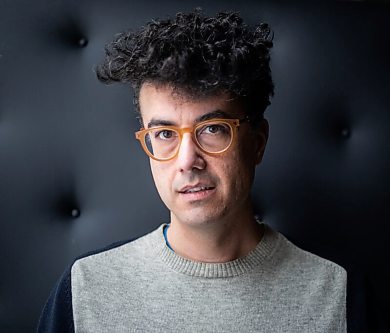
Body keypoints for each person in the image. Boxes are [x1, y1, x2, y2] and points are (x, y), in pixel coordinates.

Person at [37, 9, 347, 332]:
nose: (188, 160)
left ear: (257, 142)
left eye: (212, 129)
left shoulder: (336, 293)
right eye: (165, 134)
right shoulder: (85, 289)